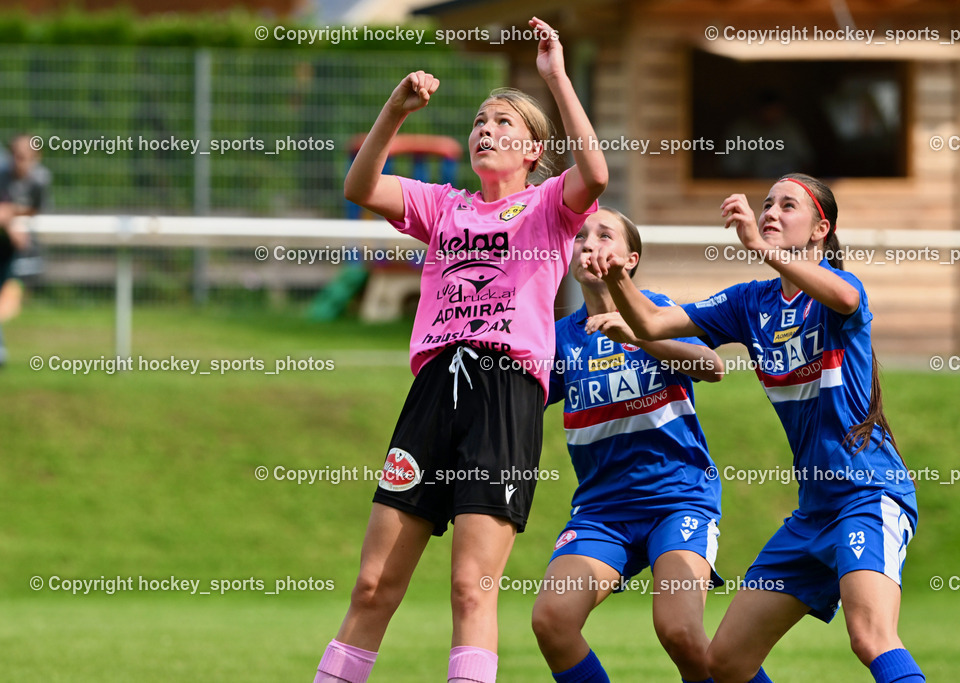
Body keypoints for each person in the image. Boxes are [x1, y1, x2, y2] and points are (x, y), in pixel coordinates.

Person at [314, 17, 607, 683]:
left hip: (504, 394)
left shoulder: (549, 207)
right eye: (480, 121)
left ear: (533, 151)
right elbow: (360, 187)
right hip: (432, 392)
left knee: (471, 590)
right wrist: (395, 111)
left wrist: (557, 77)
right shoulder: (444, 206)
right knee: (371, 586)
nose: (486, 129)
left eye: (504, 123)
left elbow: (595, 172)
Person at [585, 174, 923, 683]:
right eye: (768, 203)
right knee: (725, 662)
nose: (771, 212)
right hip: (814, 512)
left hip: (868, 494)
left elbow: (846, 298)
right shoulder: (750, 304)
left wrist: (763, 250)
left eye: (788, 206)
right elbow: (652, 324)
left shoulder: (839, 288)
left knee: (870, 635)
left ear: (820, 229)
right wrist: (617, 279)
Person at [532, 207, 725, 683]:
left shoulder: (656, 311)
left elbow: (712, 366)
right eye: (580, 236)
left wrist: (638, 334)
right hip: (602, 512)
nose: (589, 243)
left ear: (630, 259)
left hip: (677, 500)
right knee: (552, 621)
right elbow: (519, 403)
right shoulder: (559, 339)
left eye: (604, 235)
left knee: (680, 632)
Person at [0, 134, 51, 367]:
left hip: (26, 251)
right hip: (4, 248)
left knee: (9, 300)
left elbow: (37, 210)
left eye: (24, 156)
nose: (18, 160)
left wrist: (10, 215)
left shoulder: (40, 180)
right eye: (15, 155)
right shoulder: (2, 174)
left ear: (36, 157)